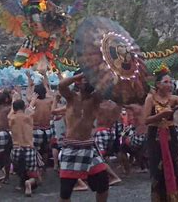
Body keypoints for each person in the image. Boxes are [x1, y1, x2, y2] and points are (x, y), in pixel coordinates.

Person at [58, 70, 109, 202]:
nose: (87, 80)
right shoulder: (71, 97)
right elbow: (61, 86)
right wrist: (80, 76)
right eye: (84, 79)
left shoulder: (95, 98)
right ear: (78, 82)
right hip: (71, 146)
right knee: (65, 191)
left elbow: (106, 88)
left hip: (88, 146)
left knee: (103, 183)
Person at [144, 72, 178, 201]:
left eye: (170, 82)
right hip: (155, 137)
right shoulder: (150, 98)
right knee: (158, 170)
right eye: (166, 82)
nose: (170, 85)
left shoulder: (174, 99)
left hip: (170, 136)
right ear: (158, 84)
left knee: (174, 167)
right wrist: (160, 116)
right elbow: (146, 120)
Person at [8, 95, 39, 197]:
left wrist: (13, 99)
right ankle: (29, 182)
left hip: (16, 150)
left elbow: (12, 112)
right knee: (34, 174)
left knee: (21, 169)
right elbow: (30, 108)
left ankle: (22, 184)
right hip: (29, 149)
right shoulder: (29, 116)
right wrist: (34, 98)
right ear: (24, 107)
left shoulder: (11, 118)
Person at [26, 71, 54, 168]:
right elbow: (48, 90)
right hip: (48, 129)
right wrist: (45, 77)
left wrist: (29, 79)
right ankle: (44, 167)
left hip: (36, 129)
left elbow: (28, 93)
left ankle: (36, 167)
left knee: (35, 150)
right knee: (45, 150)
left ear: (35, 94)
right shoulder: (49, 100)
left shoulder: (34, 101)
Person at [94, 100, 122, 185]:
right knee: (103, 156)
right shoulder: (113, 106)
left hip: (101, 131)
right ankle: (109, 175)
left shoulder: (101, 107)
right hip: (110, 132)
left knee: (97, 157)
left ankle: (114, 177)